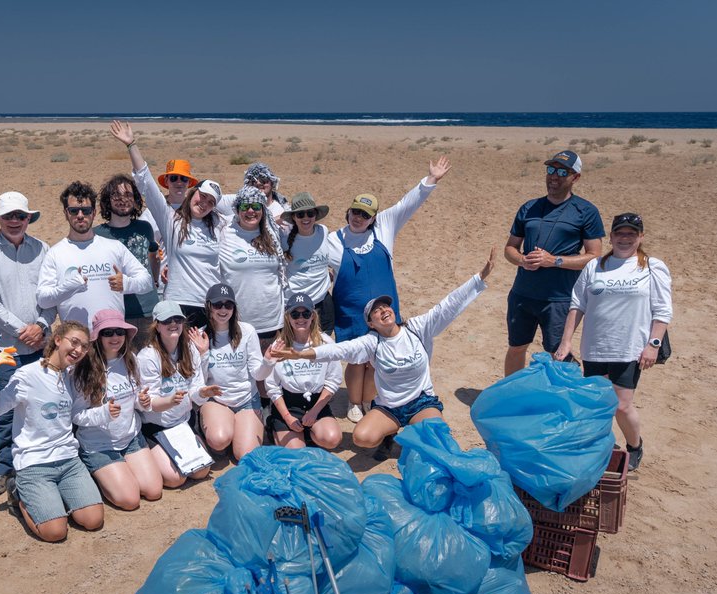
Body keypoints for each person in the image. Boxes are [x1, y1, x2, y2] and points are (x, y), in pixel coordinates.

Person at [271, 251, 495, 460]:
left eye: (385, 307)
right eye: (376, 311)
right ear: (370, 323)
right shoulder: (371, 342)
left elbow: (448, 306)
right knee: (362, 438)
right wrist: (298, 354)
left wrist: (479, 279)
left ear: (394, 311)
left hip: (421, 401)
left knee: (439, 442)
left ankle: (414, 432)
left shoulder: (418, 328)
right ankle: (390, 433)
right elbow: (337, 350)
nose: (383, 311)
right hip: (389, 407)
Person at [328, 158, 452, 422]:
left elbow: (408, 203)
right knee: (355, 359)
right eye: (355, 212)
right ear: (347, 212)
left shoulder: (384, 227)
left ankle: (368, 400)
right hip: (350, 309)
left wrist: (431, 180)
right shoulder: (333, 240)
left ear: (373, 217)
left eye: (365, 214)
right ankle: (353, 403)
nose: (358, 218)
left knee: (377, 358)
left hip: (384, 308)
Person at [554, 213, 671, 470]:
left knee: (621, 405)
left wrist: (653, 345)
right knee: (596, 404)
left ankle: (634, 446)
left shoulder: (652, 267)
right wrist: (566, 342)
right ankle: (600, 448)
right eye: (620, 233)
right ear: (611, 236)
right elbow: (577, 305)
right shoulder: (595, 266)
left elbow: (662, 310)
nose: (625, 238)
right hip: (595, 347)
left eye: (631, 233)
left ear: (640, 237)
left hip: (629, 348)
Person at [0, 321, 105, 542]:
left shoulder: (72, 376)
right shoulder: (28, 374)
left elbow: (77, 414)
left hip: (68, 461)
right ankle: (18, 494)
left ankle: (53, 498)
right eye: (74, 342)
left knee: (93, 520)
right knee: (55, 532)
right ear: (57, 340)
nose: (78, 350)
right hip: (34, 463)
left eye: (84, 347)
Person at [0, 191, 55, 496]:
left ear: (28, 219)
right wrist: (24, 329)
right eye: (8, 216)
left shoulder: (43, 249)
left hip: (39, 344)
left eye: (20, 216)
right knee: (4, 411)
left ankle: (32, 463)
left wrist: (43, 325)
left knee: (37, 404)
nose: (14, 221)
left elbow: (51, 295)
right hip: (3, 347)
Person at [111, 120, 225, 326]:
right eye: (202, 196)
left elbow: (247, 208)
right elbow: (147, 184)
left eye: (211, 202)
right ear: (193, 193)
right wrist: (131, 145)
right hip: (177, 302)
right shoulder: (172, 220)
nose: (204, 203)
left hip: (209, 304)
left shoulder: (218, 225)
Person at [503, 149, 605, 376]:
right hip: (523, 294)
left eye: (562, 171)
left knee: (556, 353)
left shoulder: (586, 211)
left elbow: (594, 256)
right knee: (516, 347)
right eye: (551, 170)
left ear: (575, 177)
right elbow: (509, 248)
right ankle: (513, 396)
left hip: (560, 299)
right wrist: (521, 260)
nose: (554, 176)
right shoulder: (529, 207)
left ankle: (557, 399)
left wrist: (554, 260)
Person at [71, 309, 163, 509]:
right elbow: (76, 415)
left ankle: (119, 472)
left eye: (119, 332)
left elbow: (136, 400)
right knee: (130, 500)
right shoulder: (83, 368)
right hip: (99, 445)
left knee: (153, 491)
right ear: (97, 337)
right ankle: (96, 472)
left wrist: (142, 400)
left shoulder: (129, 358)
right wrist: (103, 413)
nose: (115, 337)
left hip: (130, 438)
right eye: (108, 332)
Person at [37, 181, 153, 328]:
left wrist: (127, 283)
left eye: (85, 211)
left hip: (111, 338)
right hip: (77, 343)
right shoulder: (55, 253)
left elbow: (147, 282)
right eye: (74, 211)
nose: (80, 215)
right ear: (66, 213)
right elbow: (43, 299)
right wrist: (69, 287)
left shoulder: (114, 247)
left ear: (93, 212)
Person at [135, 301, 217, 487]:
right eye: (167, 320)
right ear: (157, 325)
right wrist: (169, 401)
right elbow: (149, 403)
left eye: (178, 319)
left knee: (201, 471)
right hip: (156, 427)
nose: (173, 324)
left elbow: (195, 391)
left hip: (182, 423)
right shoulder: (148, 357)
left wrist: (203, 393)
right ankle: (149, 453)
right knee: (175, 480)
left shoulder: (189, 349)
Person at [195, 283, 268, 462]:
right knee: (219, 439)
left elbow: (258, 374)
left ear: (234, 308)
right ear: (209, 307)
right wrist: (204, 354)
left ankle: (238, 428)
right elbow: (199, 382)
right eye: (218, 304)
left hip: (246, 399)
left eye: (228, 304)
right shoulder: (199, 335)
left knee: (245, 456)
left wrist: (269, 362)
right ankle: (214, 430)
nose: (223, 309)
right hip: (217, 400)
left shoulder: (247, 331)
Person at [262, 294, 342, 450]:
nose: (301, 318)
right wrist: (287, 417)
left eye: (306, 313)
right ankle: (277, 427)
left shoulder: (326, 343)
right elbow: (272, 386)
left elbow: (333, 380)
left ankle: (307, 432)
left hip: (316, 403)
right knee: (296, 453)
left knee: (332, 439)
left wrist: (314, 412)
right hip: (289, 405)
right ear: (288, 317)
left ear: (313, 316)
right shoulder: (278, 346)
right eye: (295, 314)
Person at [95, 174, 161, 348]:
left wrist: (154, 279)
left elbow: (153, 253)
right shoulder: (97, 234)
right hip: (114, 313)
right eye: (116, 195)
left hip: (147, 310)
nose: (122, 200)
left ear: (136, 200)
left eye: (128, 195)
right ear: (108, 201)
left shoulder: (144, 228)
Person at [220, 185, 286, 348]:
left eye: (256, 206)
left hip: (271, 322)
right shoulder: (224, 232)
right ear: (237, 210)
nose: (251, 211)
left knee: (267, 371)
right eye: (245, 206)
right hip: (236, 322)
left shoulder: (273, 233)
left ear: (263, 209)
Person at [280, 192, 338, 333]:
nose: (306, 218)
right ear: (293, 217)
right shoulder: (284, 238)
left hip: (323, 302)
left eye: (310, 213)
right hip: (296, 305)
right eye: (300, 214)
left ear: (315, 215)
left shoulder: (323, 231)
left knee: (323, 348)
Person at [218, 162, 288, 222]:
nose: (258, 183)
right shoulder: (236, 200)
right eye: (252, 181)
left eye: (263, 180)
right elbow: (210, 201)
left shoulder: (280, 211)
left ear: (272, 183)